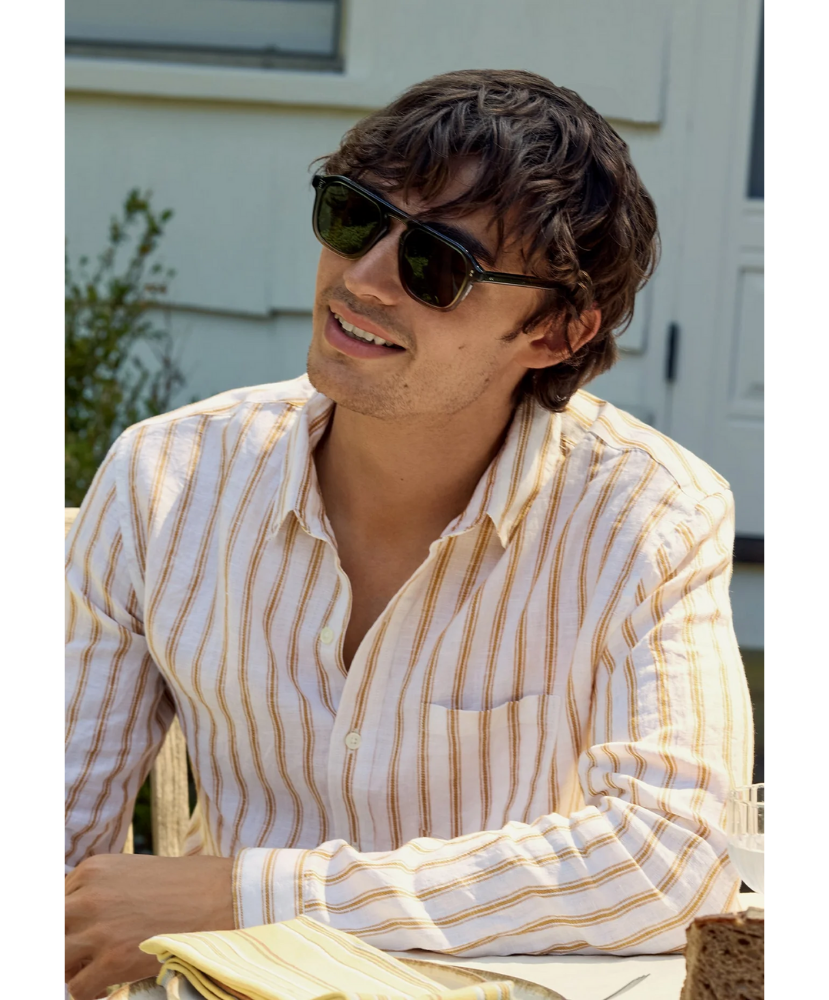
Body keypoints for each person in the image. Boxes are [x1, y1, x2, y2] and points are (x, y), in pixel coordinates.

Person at [64, 69, 752, 1000]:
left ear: (554, 332)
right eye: (355, 218)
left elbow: (673, 859)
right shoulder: (165, 481)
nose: (362, 278)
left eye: (437, 264)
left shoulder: (648, 515)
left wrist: (254, 898)